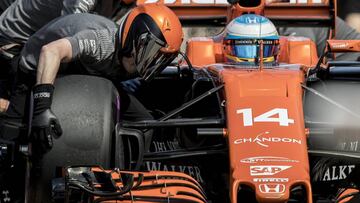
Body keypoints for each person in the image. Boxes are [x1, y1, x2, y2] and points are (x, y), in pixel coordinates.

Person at [0, 2, 182, 154]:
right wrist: (42, 108)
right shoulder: (101, 43)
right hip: (34, 67)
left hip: (84, 69)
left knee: (145, 123)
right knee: (14, 139)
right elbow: (50, 51)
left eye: (159, 59)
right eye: (149, 52)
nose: (151, 62)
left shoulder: (135, 61)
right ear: (133, 37)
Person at [0, 0, 135, 104]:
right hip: (14, 42)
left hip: (42, 39)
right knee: (25, 111)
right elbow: (71, 28)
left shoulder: (127, 4)